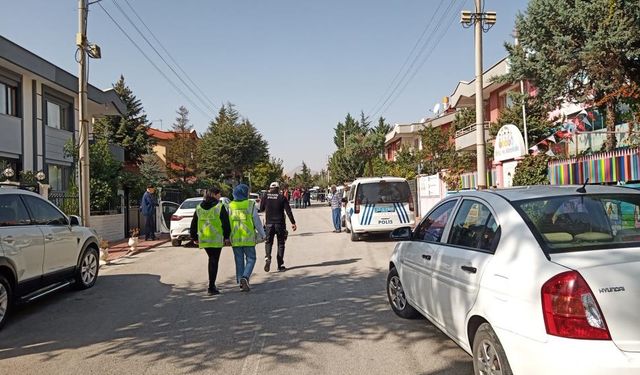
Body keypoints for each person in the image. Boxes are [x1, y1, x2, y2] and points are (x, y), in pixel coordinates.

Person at [189, 188, 231, 295]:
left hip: (204, 238)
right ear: (214, 195)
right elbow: (225, 222)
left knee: (211, 259)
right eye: (219, 194)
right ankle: (211, 286)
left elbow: (194, 223)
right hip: (216, 239)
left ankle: (211, 285)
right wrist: (227, 236)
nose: (219, 197)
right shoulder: (219, 206)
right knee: (214, 261)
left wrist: (194, 237)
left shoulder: (199, 207)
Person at [229, 184, 266, 292]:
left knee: (239, 260)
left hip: (235, 238)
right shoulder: (250, 204)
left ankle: (240, 281)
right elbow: (257, 222)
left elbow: (226, 222)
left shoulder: (230, 205)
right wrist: (263, 234)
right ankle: (245, 277)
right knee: (251, 259)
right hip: (248, 238)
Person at [260, 182, 297, 272]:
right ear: (278, 188)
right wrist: (293, 222)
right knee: (281, 244)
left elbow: (261, 209)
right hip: (280, 224)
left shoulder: (265, 196)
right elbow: (288, 211)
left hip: (269, 224)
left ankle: (268, 257)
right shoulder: (281, 197)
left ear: (270, 188)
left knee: (268, 242)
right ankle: (280, 265)